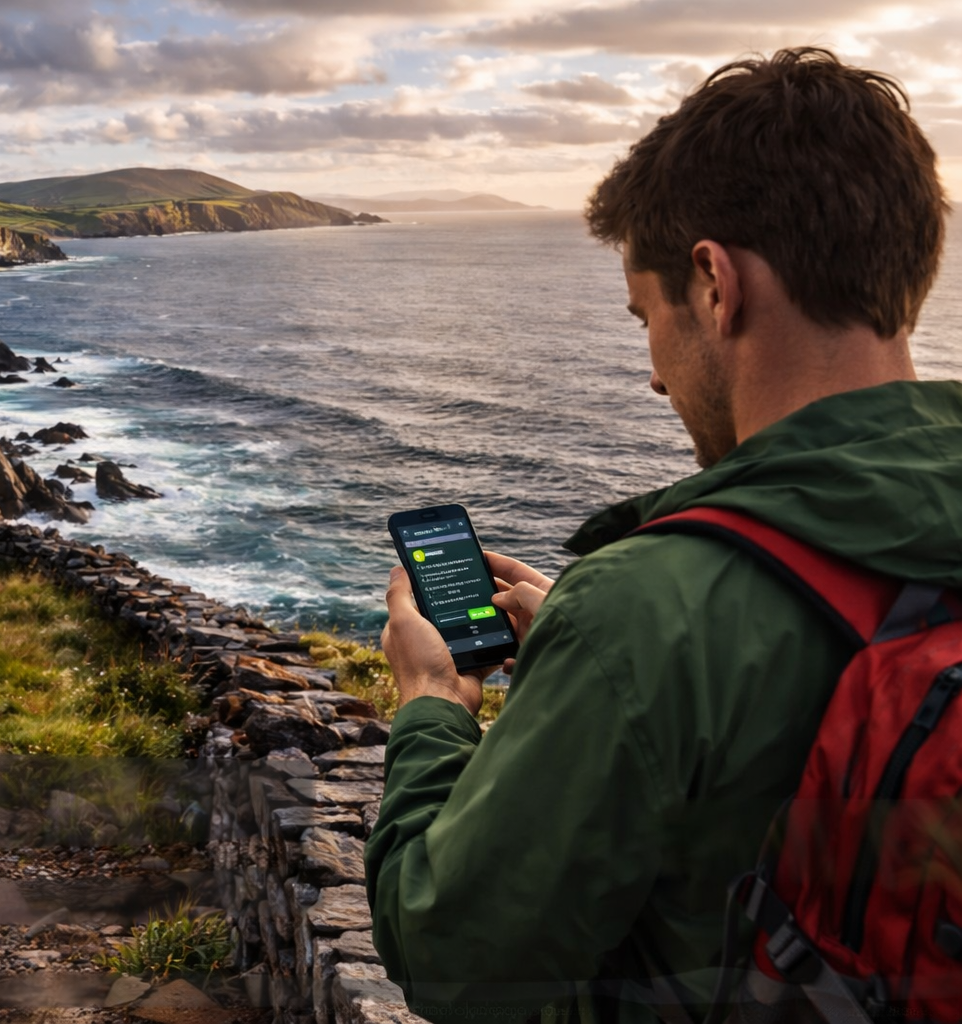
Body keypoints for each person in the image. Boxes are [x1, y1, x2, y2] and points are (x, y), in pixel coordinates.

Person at [363, 47, 953, 1024]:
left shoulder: (647, 610)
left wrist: (432, 700)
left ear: (716, 285)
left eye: (646, 318)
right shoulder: (649, 619)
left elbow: (451, 954)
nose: (652, 375)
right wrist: (600, 652)